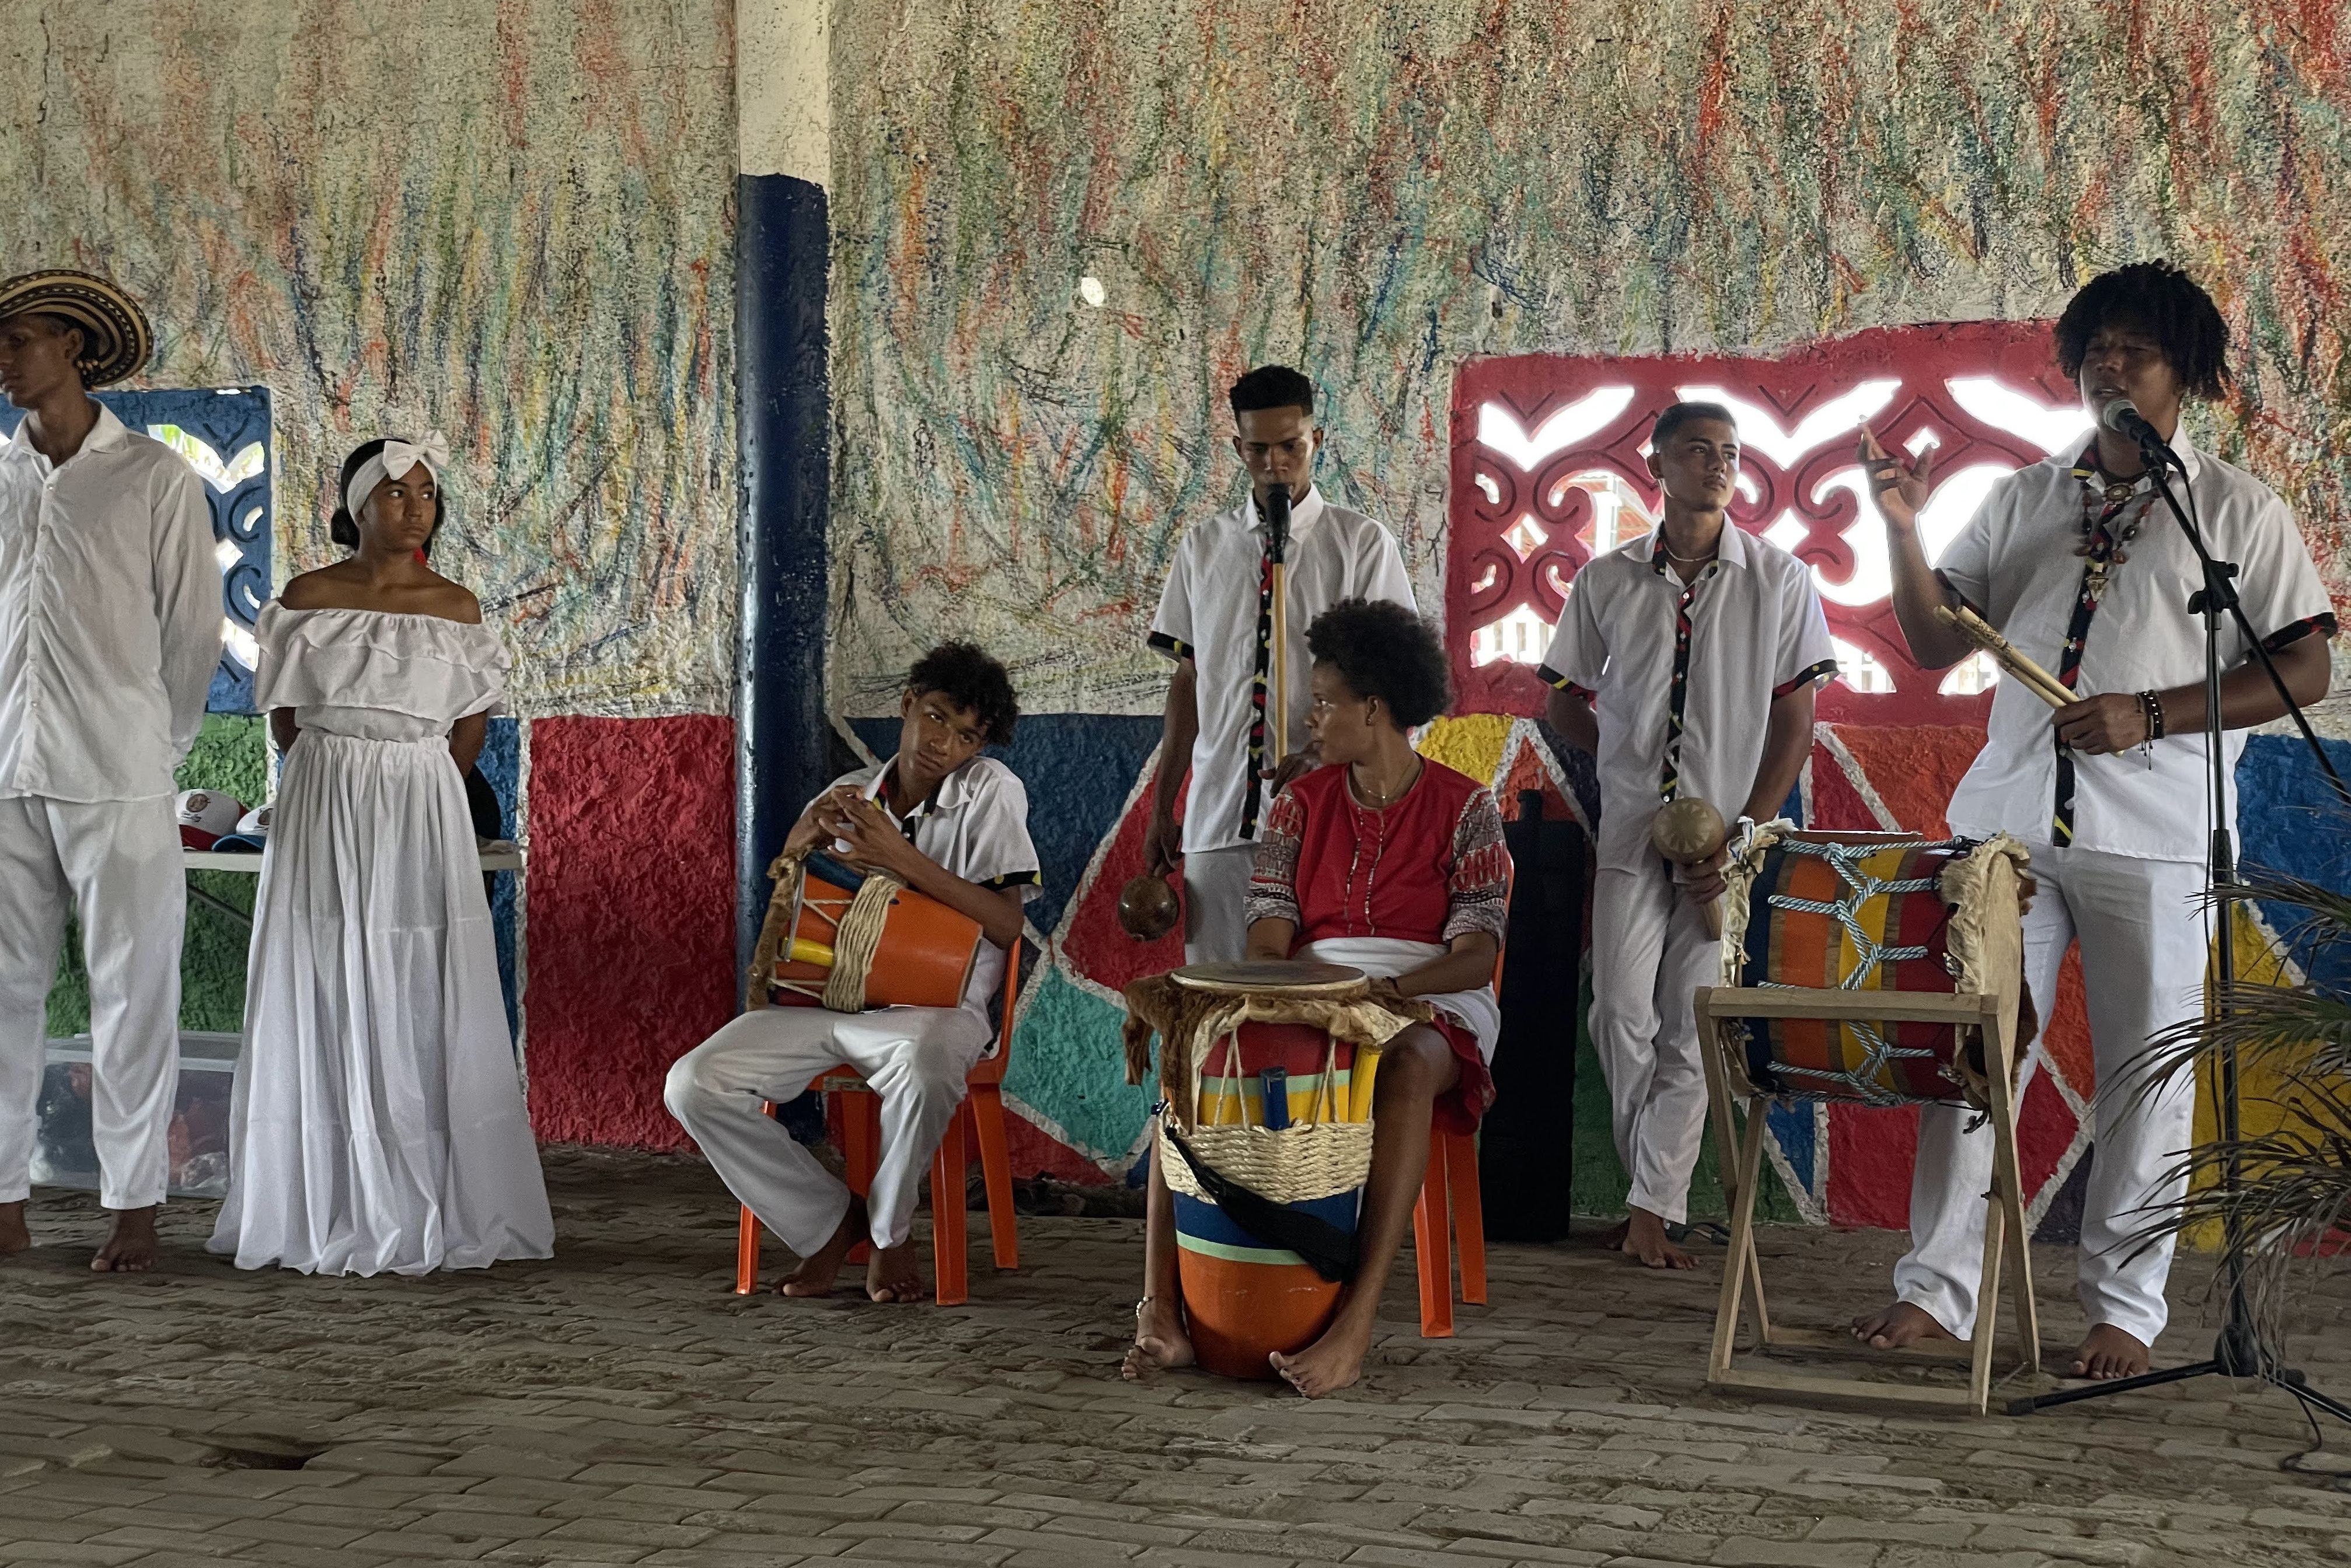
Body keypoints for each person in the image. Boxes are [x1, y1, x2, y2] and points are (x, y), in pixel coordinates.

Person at [1855, 261, 2334, 1380]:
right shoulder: (2023, 496)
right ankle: (1934, 1287)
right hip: (2007, 832)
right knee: (1971, 1051)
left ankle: (2123, 1308)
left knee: (2143, 1076)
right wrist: (1899, 529)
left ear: (2186, 372)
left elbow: (2303, 664)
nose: (2106, 367)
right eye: (2092, 349)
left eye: (2133, 349)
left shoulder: (2233, 512)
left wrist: (2151, 713)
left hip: (2157, 835)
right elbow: (1933, 641)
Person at [1125, 598, 1509, 1396]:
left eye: (1328, 700)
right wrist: (1301, 995)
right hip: (1313, 987)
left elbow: (1475, 957)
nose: (1313, 715)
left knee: (1403, 1064)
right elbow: (1270, 938)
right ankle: (1161, 1309)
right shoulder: (1298, 805)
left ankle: (1354, 1323)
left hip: (1429, 997)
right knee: (1191, 1056)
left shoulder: (1468, 807)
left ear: (1376, 709)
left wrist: (1389, 991)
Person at [208, 434, 553, 1276]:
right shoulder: (306, 597)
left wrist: (425, 781)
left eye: (428, 495)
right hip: (327, 790)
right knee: (326, 960)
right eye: (396, 493)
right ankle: (325, 1193)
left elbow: (471, 716)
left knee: (417, 965)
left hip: (421, 794)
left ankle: (426, 1186)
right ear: (357, 506)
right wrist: (338, 764)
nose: (414, 509)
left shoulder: (457, 607)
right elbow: (286, 714)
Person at [1538, 403, 1834, 1270]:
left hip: (1728, 849)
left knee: (1694, 1021)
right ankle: (1652, 1196)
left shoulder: (1779, 580)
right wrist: (1621, 759)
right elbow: (1560, 699)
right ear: (1657, 463)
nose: (1718, 464)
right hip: (1633, 830)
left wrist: (1745, 833)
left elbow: (1795, 724)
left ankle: (1649, 1209)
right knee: (1618, 1013)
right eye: (1699, 449)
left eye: (1730, 453)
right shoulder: (1607, 579)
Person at [666, 644, 1040, 1303]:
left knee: (924, 1064)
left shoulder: (990, 792)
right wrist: (794, 845)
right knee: (694, 1082)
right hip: (828, 1002)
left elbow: (1006, 926)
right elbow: (796, 907)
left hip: (935, 1009)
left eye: (966, 735)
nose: (943, 743)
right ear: (906, 705)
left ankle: (891, 1237)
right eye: (935, 717)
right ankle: (831, 1224)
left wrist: (898, 855)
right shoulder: (848, 798)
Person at [0, 270, 217, 1272]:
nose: (5, 360)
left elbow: (192, 634)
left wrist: (153, 746)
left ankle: (134, 1204)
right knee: (5, 992)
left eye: (22, 340)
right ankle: (5, 1199)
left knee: (134, 992)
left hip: (122, 772)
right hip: (9, 774)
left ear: (76, 350)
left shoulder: (152, 479)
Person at [1146, 366, 1416, 964]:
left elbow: (1398, 686)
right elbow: (1189, 683)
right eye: (1258, 449)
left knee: (1320, 1009)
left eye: (1289, 446)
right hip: (1220, 815)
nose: (1275, 464)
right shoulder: (1202, 548)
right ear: (1237, 448)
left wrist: (1324, 750)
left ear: (1315, 440)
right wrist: (1164, 804)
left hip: (1335, 816)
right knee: (1218, 1009)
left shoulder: (1362, 545)